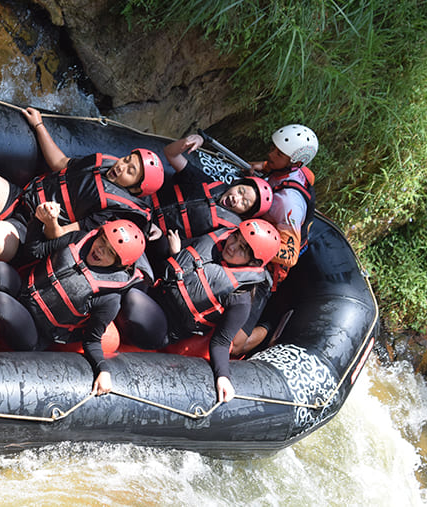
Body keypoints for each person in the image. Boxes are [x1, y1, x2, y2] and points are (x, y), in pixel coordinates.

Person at [0, 106, 164, 263]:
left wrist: (49, 220)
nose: (122, 166)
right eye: (127, 159)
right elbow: (60, 163)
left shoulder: (113, 212)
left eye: (131, 171)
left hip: (30, 231)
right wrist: (39, 125)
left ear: (136, 189)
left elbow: (59, 235)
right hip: (22, 198)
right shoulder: (104, 163)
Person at [116, 219, 280, 403]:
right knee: (129, 247)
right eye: (235, 237)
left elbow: (222, 341)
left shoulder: (240, 299)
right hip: (153, 290)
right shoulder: (213, 245)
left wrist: (223, 377)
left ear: (253, 262)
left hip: (159, 327)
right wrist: (158, 236)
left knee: (132, 297)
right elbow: (178, 259)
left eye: (242, 248)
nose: (232, 246)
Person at [0, 217, 146, 396]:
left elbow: (92, 340)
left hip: (36, 331)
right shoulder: (78, 240)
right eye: (102, 240)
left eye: (109, 252)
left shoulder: (109, 298)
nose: (99, 249)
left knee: (0, 303)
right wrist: (37, 220)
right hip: (23, 291)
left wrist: (103, 370)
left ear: (119, 264)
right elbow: (35, 251)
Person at [231, 124, 318, 355]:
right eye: (274, 148)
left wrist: (250, 235)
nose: (271, 154)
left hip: (268, 263)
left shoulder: (289, 202)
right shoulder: (286, 169)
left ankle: (268, 328)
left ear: (295, 162)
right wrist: (265, 166)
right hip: (252, 236)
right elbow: (272, 165)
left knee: (235, 345)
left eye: (278, 154)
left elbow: (289, 256)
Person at [156, 133, 273, 238]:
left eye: (244, 203)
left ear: (244, 214)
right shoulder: (206, 182)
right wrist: (196, 139)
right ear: (234, 185)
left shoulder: (225, 231)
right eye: (240, 191)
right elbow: (170, 153)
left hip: (156, 236)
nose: (235, 199)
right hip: (146, 204)